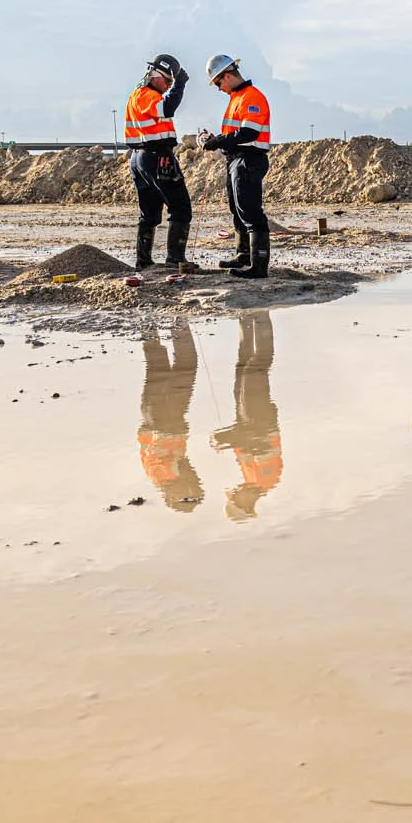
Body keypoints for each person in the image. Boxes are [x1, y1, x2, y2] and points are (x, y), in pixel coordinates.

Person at [198, 54, 273, 279]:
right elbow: (234, 133)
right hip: (236, 160)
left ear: (227, 76)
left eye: (218, 83)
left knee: (250, 212)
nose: (218, 88)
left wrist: (219, 141)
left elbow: (249, 132)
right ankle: (244, 256)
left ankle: (258, 266)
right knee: (238, 210)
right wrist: (217, 139)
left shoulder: (252, 97)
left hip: (249, 159)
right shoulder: (236, 98)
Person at [123, 53, 195, 272]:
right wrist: (181, 85)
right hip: (157, 155)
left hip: (140, 158)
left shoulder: (136, 96)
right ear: (155, 76)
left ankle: (143, 261)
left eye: (171, 82)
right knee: (181, 208)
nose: (168, 86)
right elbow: (168, 108)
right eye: (168, 81)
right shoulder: (147, 95)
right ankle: (175, 258)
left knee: (150, 212)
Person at [212, 310, 285, 518]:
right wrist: (227, 439)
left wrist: (225, 439)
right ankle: (261, 316)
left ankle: (245, 316)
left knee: (243, 366)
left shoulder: (250, 479)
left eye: (233, 495)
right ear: (246, 504)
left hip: (248, 420)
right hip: (260, 420)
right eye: (236, 498)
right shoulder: (268, 480)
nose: (234, 492)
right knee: (255, 367)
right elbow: (259, 445)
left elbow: (243, 442)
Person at [135, 321, 205, 511]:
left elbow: (169, 455)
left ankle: (178, 320)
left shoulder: (166, 476)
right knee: (156, 361)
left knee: (187, 363)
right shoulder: (159, 478)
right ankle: (146, 319)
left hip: (165, 416)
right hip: (153, 414)